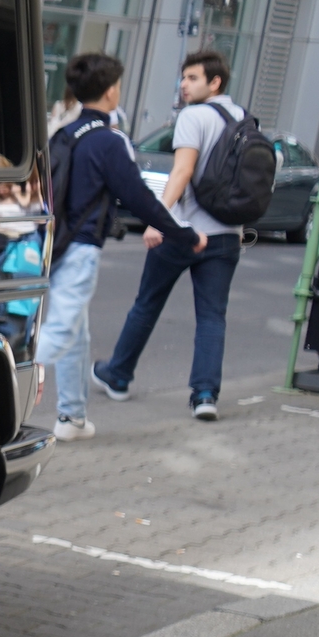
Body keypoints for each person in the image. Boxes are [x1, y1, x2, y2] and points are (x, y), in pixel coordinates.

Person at [40, 52, 204, 440]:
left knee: (76, 332)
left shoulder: (63, 134)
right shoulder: (110, 142)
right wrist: (185, 233)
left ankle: (72, 418)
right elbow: (140, 198)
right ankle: (7, 384)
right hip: (80, 249)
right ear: (111, 92)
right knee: (62, 330)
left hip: (53, 244)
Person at [92, 49, 242, 422]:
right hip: (226, 235)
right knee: (212, 316)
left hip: (183, 232)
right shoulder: (242, 118)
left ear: (214, 82)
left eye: (193, 78)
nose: (184, 85)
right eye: (184, 77)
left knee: (147, 303)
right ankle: (205, 394)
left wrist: (159, 220)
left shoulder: (194, 117)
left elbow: (182, 172)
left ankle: (118, 375)